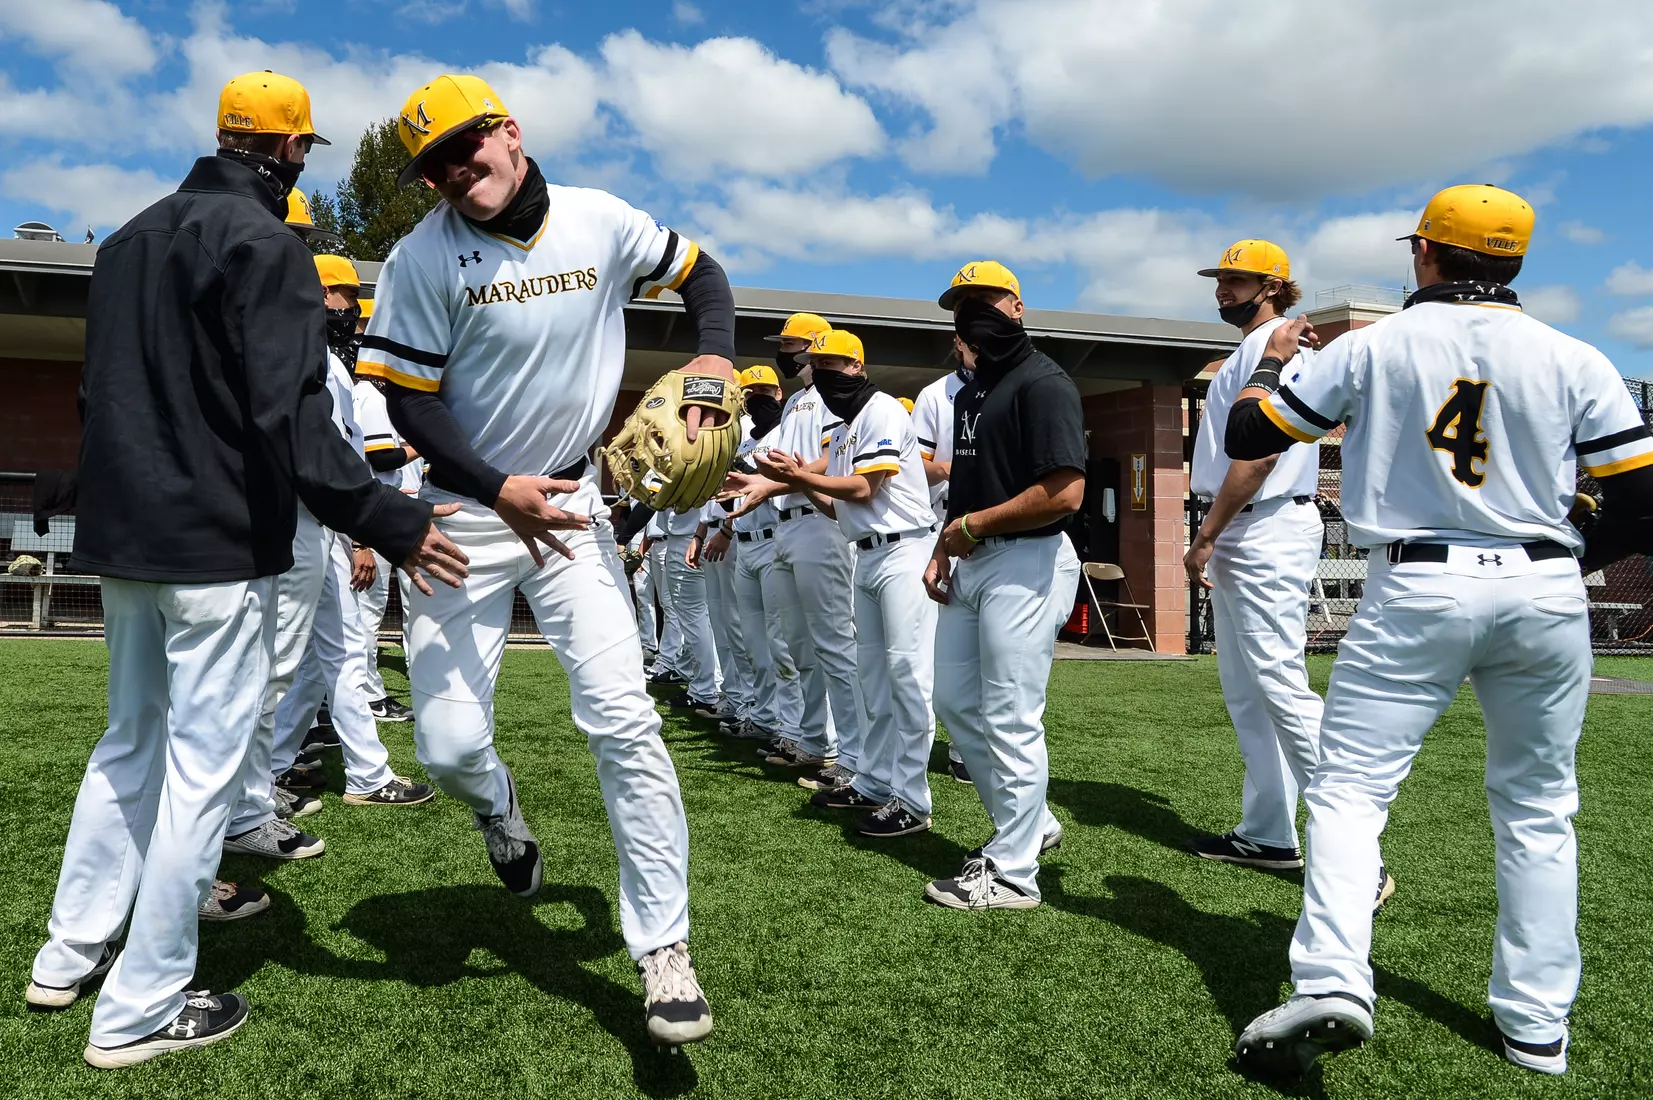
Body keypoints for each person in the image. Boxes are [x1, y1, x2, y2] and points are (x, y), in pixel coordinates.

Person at [25, 71, 462, 1068]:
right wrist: (385, 517)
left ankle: (69, 953)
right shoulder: (266, 243)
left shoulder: (127, 238)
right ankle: (140, 1006)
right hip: (216, 541)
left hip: (128, 536)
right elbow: (290, 413)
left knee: (128, 743)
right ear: (293, 149)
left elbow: (99, 395)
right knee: (202, 770)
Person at [1229, 185, 1653, 1078]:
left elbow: (1245, 433)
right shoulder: (1576, 355)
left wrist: (1268, 364)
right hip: (1542, 586)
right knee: (1538, 807)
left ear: (1424, 252)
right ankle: (1536, 1028)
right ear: (1514, 260)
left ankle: (1334, 980)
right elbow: (1643, 502)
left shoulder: (1371, 344)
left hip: (1417, 583)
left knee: (1349, 792)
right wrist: (1571, 551)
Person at [356, 73, 732, 1046]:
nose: (452, 171)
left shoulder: (599, 218)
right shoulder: (420, 256)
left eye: (464, 147)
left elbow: (703, 275)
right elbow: (408, 400)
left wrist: (714, 359)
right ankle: (499, 808)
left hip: (570, 509)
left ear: (510, 132)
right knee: (446, 748)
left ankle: (664, 946)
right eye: (433, 164)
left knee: (624, 719)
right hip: (461, 515)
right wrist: (494, 488)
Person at [241, 254, 435, 824]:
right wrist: (363, 537)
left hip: (326, 526)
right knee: (279, 662)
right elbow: (337, 460)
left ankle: (295, 769)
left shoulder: (331, 364)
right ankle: (244, 793)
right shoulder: (310, 358)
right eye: (346, 296)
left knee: (332, 654)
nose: (353, 311)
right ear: (321, 295)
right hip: (306, 523)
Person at [920, 261, 1084, 910]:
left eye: (984, 302)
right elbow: (965, 491)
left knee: (1012, 715)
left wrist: (971, 527)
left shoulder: (1044, 383)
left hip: (1030, 559)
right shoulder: (970, 394)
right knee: (954, 700)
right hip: (974, 559)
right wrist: (944, 546)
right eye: (961, 307)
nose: (972, 316)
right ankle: (1031, 824)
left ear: (1016, 307)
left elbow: (1064, 493)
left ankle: (1014, 872)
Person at [1181, 241, 1336, 875]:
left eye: (1237, 280)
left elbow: (1260, 454)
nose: (1223, 289)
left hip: (1265, 520)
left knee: (1278, 682)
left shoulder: (1278, 344)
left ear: (1271, 286)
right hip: (1249, 523)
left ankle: (1349, 844)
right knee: (1248, 691)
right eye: (1220, 279)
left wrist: (1206, 535)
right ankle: (1270, 832)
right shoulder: (1258, 347)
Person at [756, 330, 939, 837]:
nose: (823, 372)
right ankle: (874, 782)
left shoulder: (883, 409)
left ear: (857, 366)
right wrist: (793, 480)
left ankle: (913, 801)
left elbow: (864, 487)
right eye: (817, 365)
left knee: (907, 679)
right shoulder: (842, 429)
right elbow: (837, 506)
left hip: (904, 550)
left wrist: (801, 478)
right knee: (873, 680)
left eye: (833, 364)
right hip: (868, 553)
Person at [758, 313, 866, 784]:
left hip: (820, 520)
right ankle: (815, 741)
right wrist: (765, 481)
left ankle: (855, 756)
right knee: (798, 645)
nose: (785, 352)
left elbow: (831, 456)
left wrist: (782, 479)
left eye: (792, 344)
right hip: (786, 523)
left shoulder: (832, 397)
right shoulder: (796, 401)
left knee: (836, 646)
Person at [716, 364, 806, 747]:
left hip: (773, 538)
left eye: (764, 392)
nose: (757, 399)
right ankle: (764, 717)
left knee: (780, 641)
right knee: (753, 642)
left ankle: (793, 727)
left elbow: (790, 480)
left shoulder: (785, 430)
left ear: (778, 393)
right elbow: (728, 499)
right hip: (744, 541)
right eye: (750, 394)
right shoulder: (741, 439)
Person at [351, 294, 421, 721]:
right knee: (366, 613)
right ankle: (368, 696)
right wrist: (422, 445)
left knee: (369, 613)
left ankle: (357, 695)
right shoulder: (369, 396)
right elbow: (382, 459)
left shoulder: (374, 396)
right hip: (375, 513)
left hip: (387, 510)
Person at [910, 346, 974, 785]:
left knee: (985, 649)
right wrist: (951, 468)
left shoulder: (1014, 387)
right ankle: (946, 743)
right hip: (943, 524)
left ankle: (968, 748)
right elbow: (913, 464)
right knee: (942, 645)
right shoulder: (937, 394)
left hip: (997, 523)